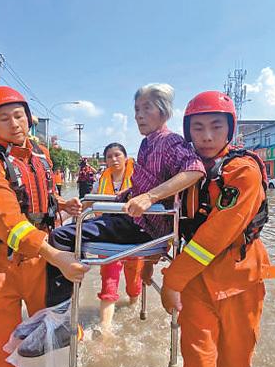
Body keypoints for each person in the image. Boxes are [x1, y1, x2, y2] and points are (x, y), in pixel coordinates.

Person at [49, 83, 205, 329]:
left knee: (59, 236)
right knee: (72, 224)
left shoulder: (170, 142)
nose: (138, 115)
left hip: (146, 228)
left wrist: (149, 198)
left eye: (146, 108)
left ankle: (57, 322)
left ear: (163, 112)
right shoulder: (146, 144)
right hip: (130, 219)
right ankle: (61, 312)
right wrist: (128, 194)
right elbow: (144, 184)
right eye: (136, 110)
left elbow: (194, 170)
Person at [158, 91, 275, 367]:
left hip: (239, 280)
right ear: (188, 132)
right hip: (196, 281)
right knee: (198, 364)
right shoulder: (185, 170)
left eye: (216, 126)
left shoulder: (243, 171)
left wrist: (172, 281)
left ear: (230, 128)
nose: (207, 136)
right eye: (198, 128)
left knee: (234, 364)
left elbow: (216, 235)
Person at [0, 86, 89, 367]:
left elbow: (36, 195)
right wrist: (57, 255)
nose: (14, 123)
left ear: (29, 117)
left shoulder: (41, 156)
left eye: (19, 115)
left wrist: (60, 203)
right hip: (1, 263)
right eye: (4, 118)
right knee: (1, 345)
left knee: (54, 340)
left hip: (42, 262)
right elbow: (8, 219)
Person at [91, 142, 143, 329]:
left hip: (134, 236)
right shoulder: (100, 181)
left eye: (117, 155)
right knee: (109, 281)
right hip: (109, 236)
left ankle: (133, 308)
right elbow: (89, 204)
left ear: (125, 157)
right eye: (109, 156)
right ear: (105, 161)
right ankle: (105, 330)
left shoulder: (139, 178)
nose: (114, 159)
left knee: (134, 282)